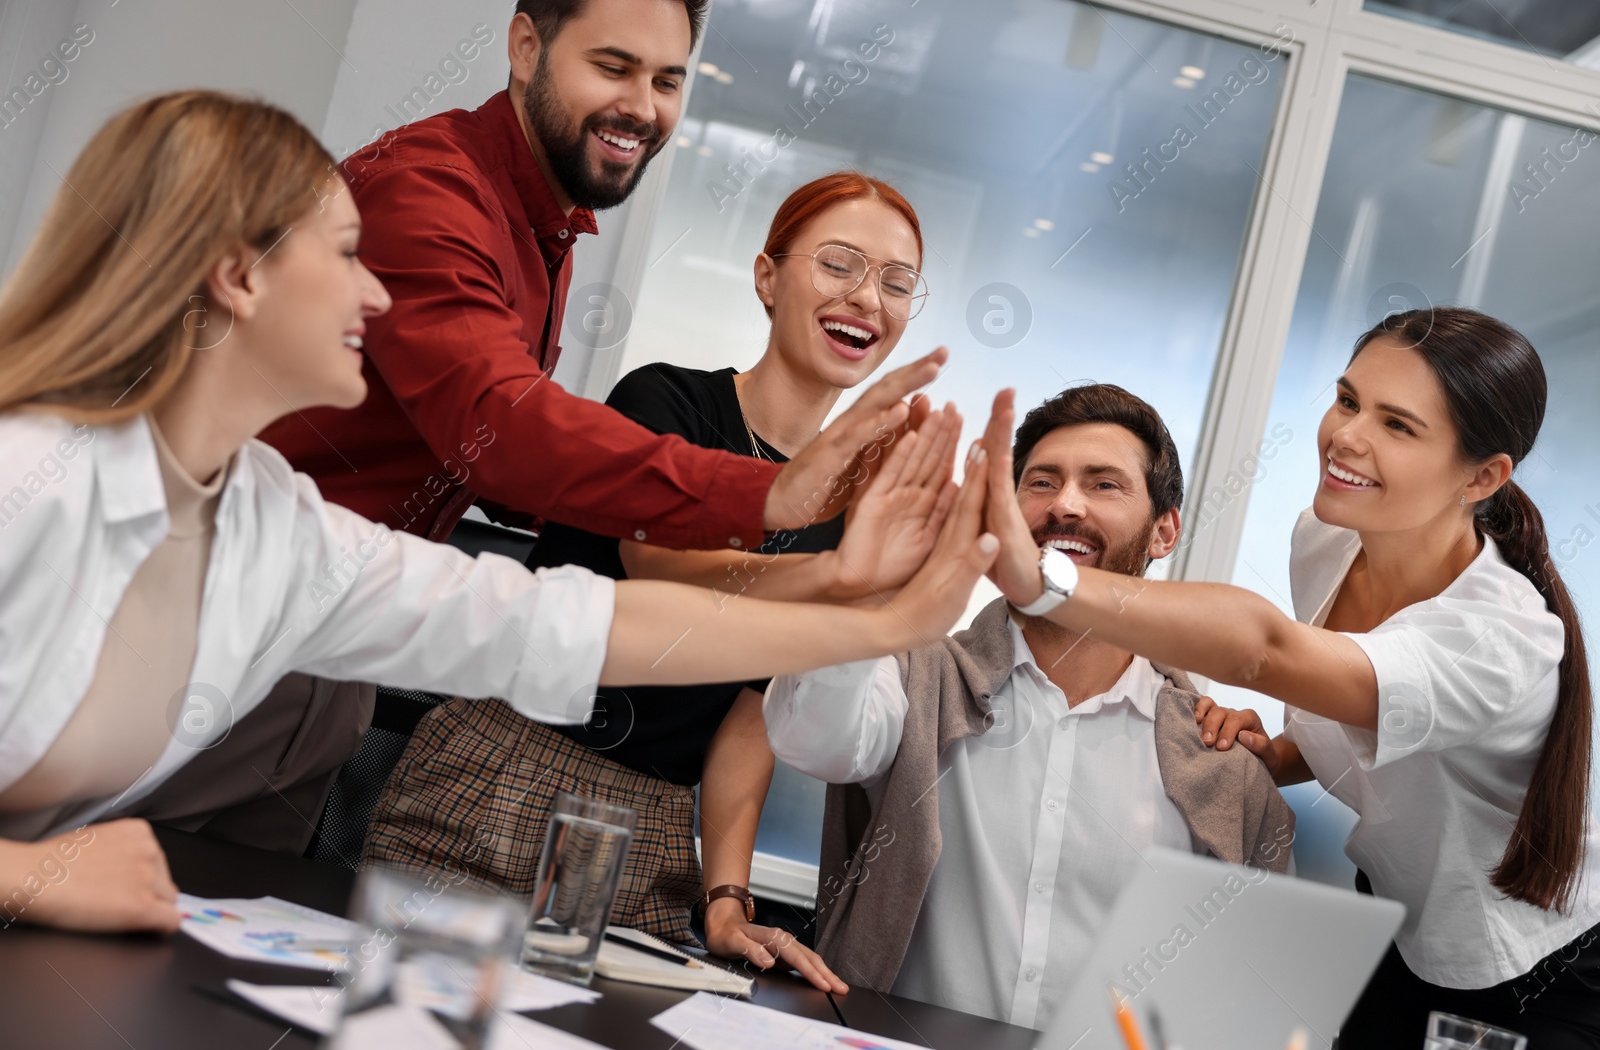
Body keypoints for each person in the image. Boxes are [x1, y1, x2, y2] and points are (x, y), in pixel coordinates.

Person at [0, 91, 998, 935]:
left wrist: (880, 618)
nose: (378, 293)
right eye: (349, 253)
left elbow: (546, 620)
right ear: (235, 273)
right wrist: (25, 874)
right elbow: (631, 573)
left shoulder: (275, 522)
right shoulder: (28, 475)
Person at [128, 0, 948, 851]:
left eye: (669, 80)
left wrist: (862, 587)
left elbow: (507, 500)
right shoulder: (433, 189)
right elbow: (502, 434)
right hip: (228, 623)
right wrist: (777, 499)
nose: (643, 105)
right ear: (526, 48)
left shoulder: (546, 224)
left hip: (335, 633)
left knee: (210, 927)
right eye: (613, 66)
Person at [363, 172, 946, 993]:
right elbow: (661, 568)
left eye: (896, 282)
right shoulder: (667, 400)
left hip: (656, 827)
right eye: (840, 264)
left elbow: (750, 716)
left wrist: (727, 896)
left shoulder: (851, 516)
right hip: (505, 765)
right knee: (408, 1021)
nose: (867, 298)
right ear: (768, 277)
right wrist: (835, 578)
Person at [975, 310, 1600, 1047]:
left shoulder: (1500, 636)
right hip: (1398, 927)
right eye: (1347, 399)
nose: (1347, 436)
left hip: (1533, 966)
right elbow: (1371, 710)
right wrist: (1281, 754)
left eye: (1397, 426)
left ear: (1483, 476)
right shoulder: (1330, 537)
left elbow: (1267, 651)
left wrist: (1044, 578)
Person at [763, 383, 1293, 1026]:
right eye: (1042, 482)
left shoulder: (1218, 760)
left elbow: (1259, 1000)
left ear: (1165, 530)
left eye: (1104, 485)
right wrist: (862, 588)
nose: (1065, 505)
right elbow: (810, 737)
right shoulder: (918, 676)